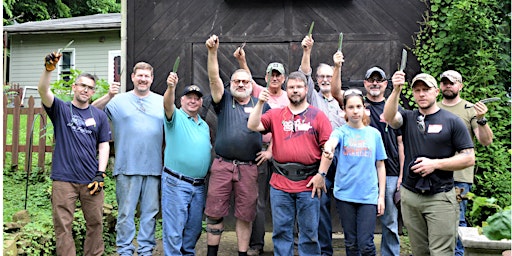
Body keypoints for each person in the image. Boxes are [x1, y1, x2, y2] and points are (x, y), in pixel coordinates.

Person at [383, 72, 476, 255]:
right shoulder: (407, 118)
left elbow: (468, 158)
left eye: (426, 89)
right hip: (411, 195)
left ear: (436, 92)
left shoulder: (452, 121)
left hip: (440, 197)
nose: (421, 94)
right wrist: (395, 90)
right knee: (419, 251)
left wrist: (435, 164)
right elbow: (389, 116)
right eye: (417, 90)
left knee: (441, 252)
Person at [247, 71, 333, 256]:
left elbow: (329, 149)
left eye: (299, 87)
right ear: (287, 89)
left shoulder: (318, 116)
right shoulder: (275, 114)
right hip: (280, 184)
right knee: (281, 233)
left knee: (309, 234)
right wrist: (260, 103)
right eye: (292, 87)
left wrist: (321, 175)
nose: (295, 91)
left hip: (309, 184)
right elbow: (253, 125)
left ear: (306, 89)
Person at [38, 52, 111, 256]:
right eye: (82, 85)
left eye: (90, 87)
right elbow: (43, 90)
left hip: (91, 180)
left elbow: (104, 145)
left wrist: (101, 173)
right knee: (63, 226)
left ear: (93, 92)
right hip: (63, 179)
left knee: (95, 224)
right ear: (74, 87)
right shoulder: (61, 109)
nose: (86, 90)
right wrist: (48, 70)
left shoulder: (99, 116)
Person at [204, 35, 271, 256]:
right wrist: (213, 52)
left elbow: (278, 131)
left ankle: (242, 253)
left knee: (245, 214)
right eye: (236, 81)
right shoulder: (223, 101)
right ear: (230, 84)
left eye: (245, 81)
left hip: (249, 168)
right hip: (222, 165)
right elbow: (214, 78)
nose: (241, 84)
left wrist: (270, 151)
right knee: (214, 212)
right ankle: (212, 253)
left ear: (251, 85)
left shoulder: (262, 104)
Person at [95, 62, 164, 256]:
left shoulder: (161, 101)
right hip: (126, 167)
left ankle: (145, 250)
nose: (143, 79)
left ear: (152, 79)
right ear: (132, 77)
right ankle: (124, 250)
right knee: (125, 213)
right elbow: (92, 110)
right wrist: (108, 96)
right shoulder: (118, 101)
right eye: (139, 75)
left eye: (147, 76)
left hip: (153, 168)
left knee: (150, 213)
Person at [234, 47, 289, 256]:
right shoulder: (260, 93)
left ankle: (288, 244)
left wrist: (272, 151)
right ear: (266, 77)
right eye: (271, 74)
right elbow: (246, 76)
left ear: (283, 78)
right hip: (259, 152)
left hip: (281, 153)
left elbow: (282, 127)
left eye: (278, 75)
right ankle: (256, 244)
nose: (274, 78)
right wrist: (243, 59)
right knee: (258, 200)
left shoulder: (288, 98)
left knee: (285, 198)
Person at [323, 88, 387, 256]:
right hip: (345, 195)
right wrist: (328, 148)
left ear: (364, 108)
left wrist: (381, 197)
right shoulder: (341, 132)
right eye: (351, 107)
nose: (355, 111)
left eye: (358, 106)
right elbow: (331, 142)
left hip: (368, 196)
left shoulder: (374, 134)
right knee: (351, 243)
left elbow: (380, 165)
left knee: (366, 244)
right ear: (344, 110)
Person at [436, 70, 493, 256]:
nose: (448, 86)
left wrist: (482, 119)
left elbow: (485, 141)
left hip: (459, 177)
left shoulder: (470, 109)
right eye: (444, 82)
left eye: (452, 83)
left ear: (460, 85)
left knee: (458, 221)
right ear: (439, 87)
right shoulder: (432, 107)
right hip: (434, 174)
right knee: (436, 222)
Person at [300, 34, 345, 256]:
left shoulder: (342, 99)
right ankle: (324, 252)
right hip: (321, 159)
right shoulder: (312, 98)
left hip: (344, 159)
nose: (326, 79)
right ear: (317, 80)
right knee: (321, 205)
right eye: (322, 76)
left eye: (329, 76)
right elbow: (304, 73)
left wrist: (337, 67)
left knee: (347, 204)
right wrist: (307, 51)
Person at [161, 70, 212, 255]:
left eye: (197, 98)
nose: (193, 101)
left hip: (198, 185)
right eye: (188, 97)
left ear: (201, 102)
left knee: (193, 229)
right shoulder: (175, 117)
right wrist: (170, 87)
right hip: (176, 182)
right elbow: (167, 103)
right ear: (181, 100)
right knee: (174, 230)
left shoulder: (204, 125)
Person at [362, 66, 405, 256]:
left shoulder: (396, 108)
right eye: (371, 80)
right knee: (364, 220)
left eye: (379, 80)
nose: (375, 83)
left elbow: (401, 144)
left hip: (390, 172)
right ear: (365, 84)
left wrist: (402, 175)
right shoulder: (358, 107)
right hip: (363, 172)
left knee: (389, 221)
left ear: (386, 84)